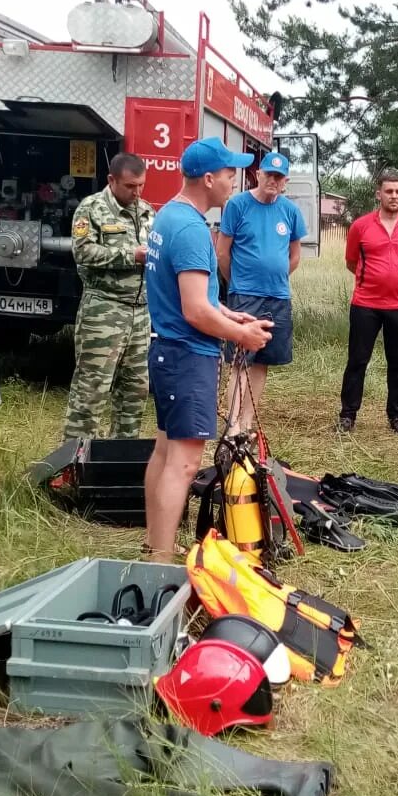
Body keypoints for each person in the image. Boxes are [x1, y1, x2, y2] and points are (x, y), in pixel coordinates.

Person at [143, 138, 273, 562]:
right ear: (209, 178)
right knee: (181, 463)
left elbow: (202, 298)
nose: (235, 180)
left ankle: (155, 542)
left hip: (167, 352)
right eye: (230, 172)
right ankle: (161, 563)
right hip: (186, 356)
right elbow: (195, 310)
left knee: (164, 451)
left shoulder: (171, 215)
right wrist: (242, 338)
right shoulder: (191, 229)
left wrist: (233, 317)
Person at [63, 153, 155, 440]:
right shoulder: (91, 209)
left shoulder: (147, 212)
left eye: (141, 185)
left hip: (140, 313)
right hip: (104, 309)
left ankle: (120, 462)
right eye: (130, 186)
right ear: (111, 180)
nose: (137, 192)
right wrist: (131, 255)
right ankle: (74, 464)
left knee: (135, 392)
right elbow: (83, 251)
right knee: (92, 389)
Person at [216, 151, 307, 434]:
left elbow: (294, 256)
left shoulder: (290, 211)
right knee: (241, 360)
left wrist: (275, 276)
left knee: (263, 361)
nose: (273, 180)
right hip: (244, 296)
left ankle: (247, 421)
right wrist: (238, 283)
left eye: (279, 177)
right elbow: (222, 252)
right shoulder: (237, 205)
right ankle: (232, 426)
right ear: (258, 175)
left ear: (285, 182)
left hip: (278, 297)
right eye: (269, 174)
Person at [338, 173, 398, 435]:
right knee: (357, 360)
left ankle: (397, 416)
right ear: (379, 194)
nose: (393, 196)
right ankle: (348, 414)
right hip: (365, 303)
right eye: (389, 191)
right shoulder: (361, 226)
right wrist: (374, 281)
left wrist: (397, 281)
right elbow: (351, 262)